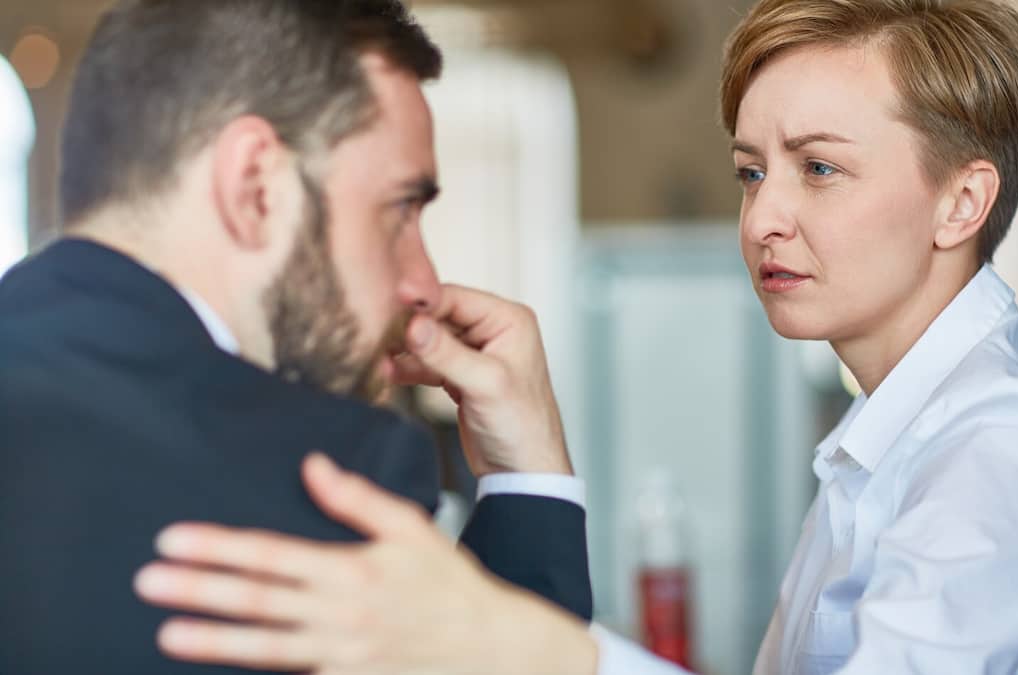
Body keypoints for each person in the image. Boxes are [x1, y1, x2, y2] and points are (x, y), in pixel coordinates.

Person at [133, 0, 1018, 673]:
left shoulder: (1002, 441)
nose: (764, 216)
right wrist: (532, 463)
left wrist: (520, 645)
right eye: (751, 171)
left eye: (819, 167)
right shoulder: (903, 435)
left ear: (963, 203)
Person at [0, 1, 593, 673]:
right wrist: (529, 485)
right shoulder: (329, 478)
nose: (425, 283)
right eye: (400, 208)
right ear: (255, 186)